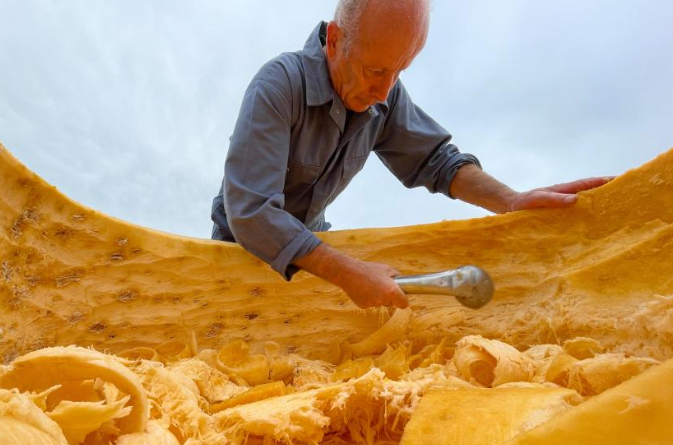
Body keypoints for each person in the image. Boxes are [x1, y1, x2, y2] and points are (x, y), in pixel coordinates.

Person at [210, 0, 609, 309]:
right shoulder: (277, 86)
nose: (385, 92)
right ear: (334, 41)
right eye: (375, 71)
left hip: (315, 259)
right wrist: (349, 272)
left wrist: (510, 200)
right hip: (234, 255)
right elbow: (252, 211)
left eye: (400, 71)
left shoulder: (383, 96)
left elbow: (437, 160)